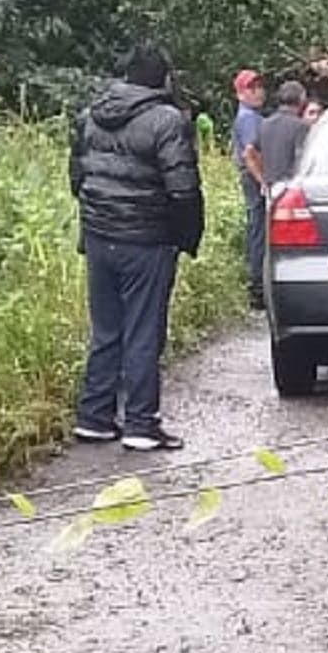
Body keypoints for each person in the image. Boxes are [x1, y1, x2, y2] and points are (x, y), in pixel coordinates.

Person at [69, 43, 205, 451]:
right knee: (144, 331)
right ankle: (141, 424)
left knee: (106, 330)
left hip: (98, 236)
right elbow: (183, 189)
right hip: (146, 240)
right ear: (163, 79)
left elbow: (77, 177)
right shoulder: (166, 120)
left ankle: (95, 417)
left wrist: (96, 218)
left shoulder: (90, 115)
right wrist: (185, 237)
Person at [230, 69, 267, 306]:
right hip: (254, 179)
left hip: (253, 177)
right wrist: (264, 181)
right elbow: (250, 153)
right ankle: (257, 286)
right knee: (258, 228)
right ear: (240, 94)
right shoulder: (248, 118)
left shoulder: (253, 116)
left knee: (259, 227)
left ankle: (258, 283)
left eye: (259, 86)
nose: (258, 92)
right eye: (251, 88)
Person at [246, 81, 310, 193]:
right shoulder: (301, 126)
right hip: (291, 187)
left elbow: (248, 152)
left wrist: (261, 180)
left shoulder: (265, 124)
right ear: (301, 99)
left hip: (271, 187)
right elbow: (302, 158)